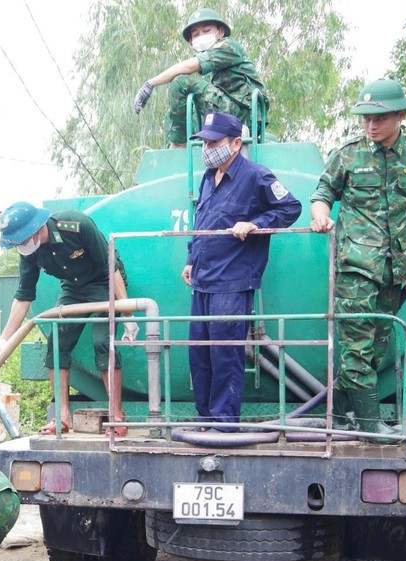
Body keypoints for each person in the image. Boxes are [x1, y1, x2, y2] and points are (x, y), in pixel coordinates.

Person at [309, 79, 406, 443]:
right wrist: (320, 215)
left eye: (379, 118)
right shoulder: (347, 154)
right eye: (365, 118)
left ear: (401, 115)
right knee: (357, 346)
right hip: (356, 266)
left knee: (377, 345)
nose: (370, 125)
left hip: (395, 270)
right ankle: (369, 425)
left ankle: (343, 414)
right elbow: (322, 194)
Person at [184, 111, 301, 429]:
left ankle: (224, 424)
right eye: (204, 142)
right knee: (200, 354)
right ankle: (204, 418)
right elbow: (202, 223)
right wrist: (191, 259)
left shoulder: (255, 176)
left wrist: (255, 223)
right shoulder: (208, 177)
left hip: (232, 282)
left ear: (236, 143)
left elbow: (290, 208)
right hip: (203, 281)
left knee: (225, 355)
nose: (207, 148)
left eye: (214, 142)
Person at [0, 201, 138, 436]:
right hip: (74, 290)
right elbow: (24, 297)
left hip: (105, 282)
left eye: (20, 240)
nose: (20, 246)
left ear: (35, 229)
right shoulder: (29, 252)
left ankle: (116, 416)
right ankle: (62, 418)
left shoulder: (76, 225)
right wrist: (3, 340)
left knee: (104, 342)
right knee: (57, 343)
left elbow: (110, 266)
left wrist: (127, 313)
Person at [133, 7, 269, 147]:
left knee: (181, 82)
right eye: (196, 34)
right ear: (191, 41)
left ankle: (179, 146)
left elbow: (189, 67)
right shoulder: (206, 69)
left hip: (244, 117)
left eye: (206, 30)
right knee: (175, 110)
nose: (201, 36)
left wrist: (150, 84)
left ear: (220, 31)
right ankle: (179, 144)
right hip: (225, 115)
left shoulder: (227, 46)